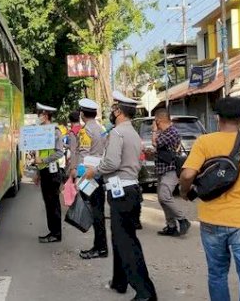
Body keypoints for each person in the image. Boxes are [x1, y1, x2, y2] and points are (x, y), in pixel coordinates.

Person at [180, 96, 240, 301]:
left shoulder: (204, 142)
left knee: (217, 274)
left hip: (212, 221)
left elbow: (187, 175)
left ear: (217, 118)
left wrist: (185, 192)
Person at [85, 91, 157, 301]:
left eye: (113, 108)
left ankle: (145, 293)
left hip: (121, 192)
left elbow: (111, 163)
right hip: (130, 190)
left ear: (118, 112)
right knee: (119, 238)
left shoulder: (117, 133)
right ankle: (120, 281)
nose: (111, 111)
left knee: (126, 242)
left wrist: (94, 170)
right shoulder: (132, 132)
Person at [76, 98, 109, 260]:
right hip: (100, 173)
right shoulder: (102, 129)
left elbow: (83, 155)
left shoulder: (85, 131)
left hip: (89, 175)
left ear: (82, 113)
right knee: (99, 212)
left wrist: (79, 179)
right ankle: (100, 246)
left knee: (95, 212)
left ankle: (100, 248)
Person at [152, 108, 191, 237]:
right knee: (162, 199)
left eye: (155, 121)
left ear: (159, 120)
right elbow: (160, 149)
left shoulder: (171, 132)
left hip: (171, 169)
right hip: (162, 169)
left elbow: (156, 143)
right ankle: (171, 226)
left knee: (164, 196)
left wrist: (154, 131)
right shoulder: (165, 132)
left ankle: (182, 219)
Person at [33, 102, 65, 243]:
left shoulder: (55, 131)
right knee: (48, 203)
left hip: (52, 172)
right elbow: (38, 154)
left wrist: (44, 160)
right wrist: (37, 173)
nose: (38, 116)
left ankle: (56, 234)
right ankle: (52, 231)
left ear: (46, 115)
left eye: (40, 114)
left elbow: (59, 152)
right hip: (44, 172)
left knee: (53, 203)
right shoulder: (40, 131)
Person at [65, 110, 82, 175]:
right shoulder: (83, 129)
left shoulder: (73, 132)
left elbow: (73, 150)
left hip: (77, 162)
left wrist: (72, 168)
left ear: (70, 120)